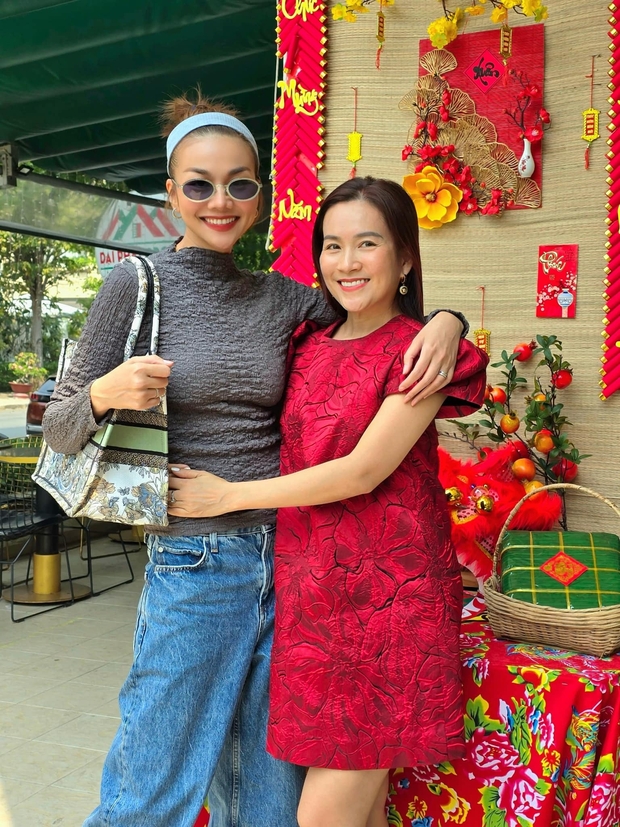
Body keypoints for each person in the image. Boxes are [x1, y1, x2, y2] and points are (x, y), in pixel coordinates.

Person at [43, 91, 470, 827]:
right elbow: (57, 426)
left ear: (260, 195)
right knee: (154, 785)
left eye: (239, 184)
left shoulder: (285, 299)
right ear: (171, 192)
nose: (221, 201)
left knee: (270, 797)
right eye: (200, 184)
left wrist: (448, 320)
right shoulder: (132, 285)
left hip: (296, 561)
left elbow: (372, 313)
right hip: (196, 557)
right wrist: (106, 393)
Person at [168, 177, 489, 827]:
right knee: (360, 813)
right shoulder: (306, 341)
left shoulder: (419, 352)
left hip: (390, 604)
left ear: (404, 257)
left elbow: (363, 471)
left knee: (321, 815)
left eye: (367, 243)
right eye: (332, 245)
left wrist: (227, 495)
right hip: (313, 603)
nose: (347, 262)